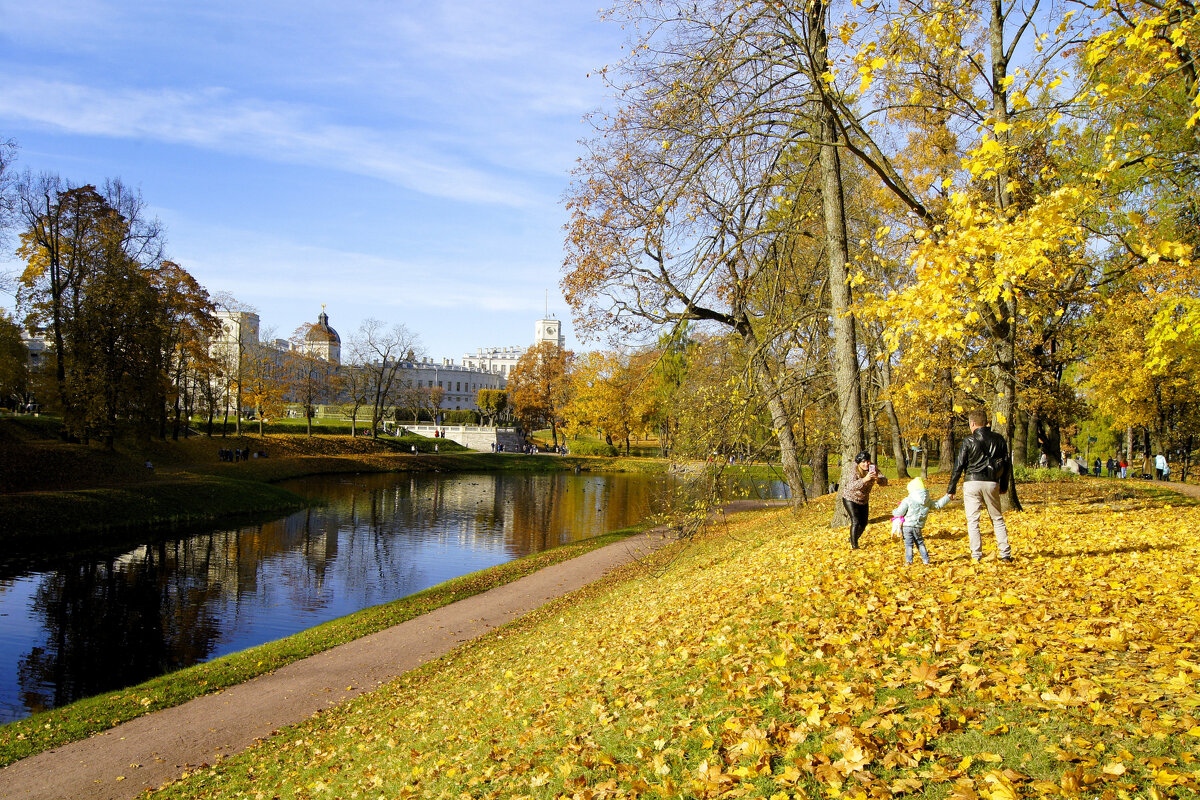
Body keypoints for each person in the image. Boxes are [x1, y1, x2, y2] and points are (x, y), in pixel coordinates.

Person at [946, 409, 1012, 562]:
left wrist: (951, 488)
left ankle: (976, 555)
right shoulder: (999, 439)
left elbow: (959, 465)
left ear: (973, 423)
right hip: (992, 482)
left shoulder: (968, 441)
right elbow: (1007, 464)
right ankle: (1005, 553)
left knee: (973, 521)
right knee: (997, 518)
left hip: (972, 482)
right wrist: (1004, 484)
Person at [890, 477, 951, 564]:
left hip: (907, 526)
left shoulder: (908, 500)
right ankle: (926, 560)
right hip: (918, 526)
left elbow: (899, 513)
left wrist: (894, 511)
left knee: (908, 544)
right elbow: (938, 505)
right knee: (920, 542)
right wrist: (947, 497)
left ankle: (909, 561)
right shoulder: (927, 501)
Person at [841, 451, 888, 550]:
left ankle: (852, 538)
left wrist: (878, 479)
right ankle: (855, 546)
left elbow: (885, 482)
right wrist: (865, 479)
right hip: (850, 498)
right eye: (863, 462)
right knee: (856, 521)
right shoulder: (854, 470)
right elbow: (851, 486)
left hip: (863, 499)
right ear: (858, 463)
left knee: (864, 523)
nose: (866, 464)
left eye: (868, 462)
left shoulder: (873, 469)